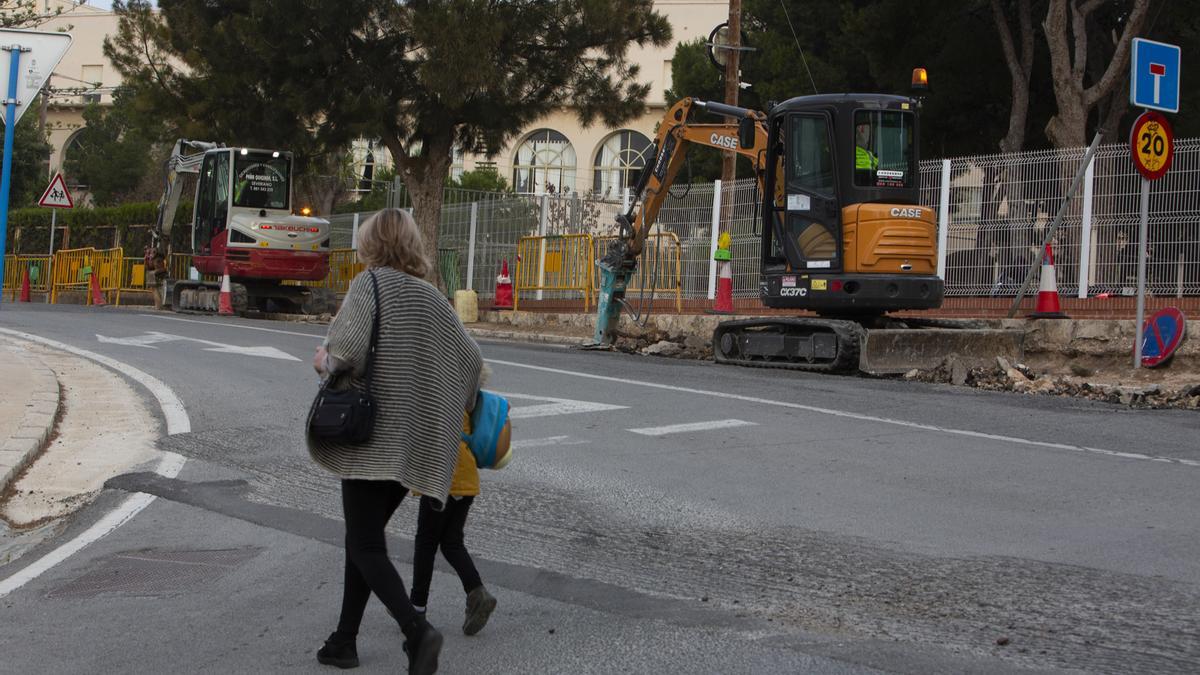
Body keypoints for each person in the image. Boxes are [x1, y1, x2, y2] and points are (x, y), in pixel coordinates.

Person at [308, 208, 483, 675]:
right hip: (413, 446)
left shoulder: (370, 284)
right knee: (361, 541)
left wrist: (322, 358)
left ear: (371, 244)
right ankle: (343, 641)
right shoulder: (431, 297)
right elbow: (472, 363)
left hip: (370, 442)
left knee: (364, 543)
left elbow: (343, 353)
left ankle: (415, 631)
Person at [409, 376, 497, 637]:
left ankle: (417, 607)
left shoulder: (437, 387)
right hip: (465, 476)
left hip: (443, 476)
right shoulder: (466, 388)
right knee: (451, 542)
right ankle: (477, 592)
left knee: (426, 542)